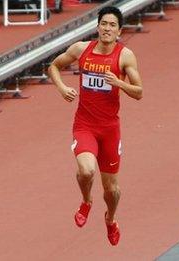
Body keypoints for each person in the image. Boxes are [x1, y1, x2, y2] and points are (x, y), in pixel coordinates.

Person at [48, 6, 143, 246]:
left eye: (112, 25)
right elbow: (54, 66)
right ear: (97, 26)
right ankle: (87, 201)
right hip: (85, 126)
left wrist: (119, 84)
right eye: (104, 24)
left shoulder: (125, 56)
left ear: (119, 31)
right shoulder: (82, 49)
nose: (107, 29)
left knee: (112, 190)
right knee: (87, 171)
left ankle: (110, 219)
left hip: (110, 129)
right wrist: (61, 88)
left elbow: (139, 92)